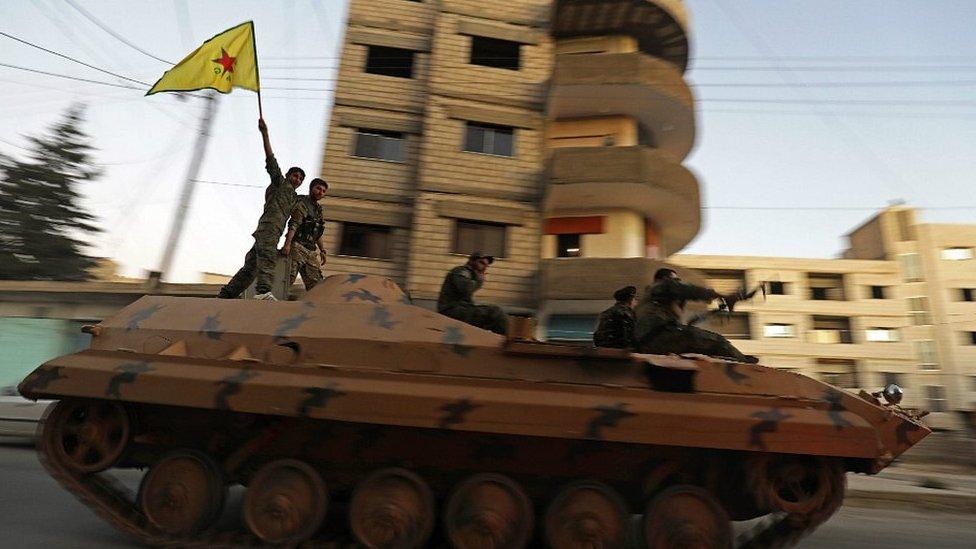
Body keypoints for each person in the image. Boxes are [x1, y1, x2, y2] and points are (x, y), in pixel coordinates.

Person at [217, 118, 304, 300]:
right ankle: (263, 292)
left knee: (250, 270)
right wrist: (265, 134)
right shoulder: (280, 183)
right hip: (268, 229)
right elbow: (270, 160)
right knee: (268, 260)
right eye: (295, 176)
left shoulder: (295, 199)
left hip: (274, 231)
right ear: (288, 175)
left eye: (300, 179)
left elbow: (300, 216)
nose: (297, 179)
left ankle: (226, 295)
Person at [634, 268, 757, 363]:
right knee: (718, 342)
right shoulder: (661, 286)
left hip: (653, 340)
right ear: (665, 279)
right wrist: (723, 296)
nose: (677, 283)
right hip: (658, 339)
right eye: (675, 281)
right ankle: (748, 369)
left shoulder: (652, 299)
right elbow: (685, 290)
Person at [437, 252, 508, 335]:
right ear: (471, 261)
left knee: (487, 317)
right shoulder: (461, 271)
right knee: (494, 311)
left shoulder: (471, 275)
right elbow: (465, 288)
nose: (484, 267)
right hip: (451, 310)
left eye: (486, 265)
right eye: (481, 263)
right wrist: (479, 280)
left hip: (460, 309)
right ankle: (507, 341)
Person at [282, 177, 328, 295]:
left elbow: (318, 233)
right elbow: (294, 225)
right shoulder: (303, 203)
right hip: (297, 246)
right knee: (287, 279)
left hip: (311, 251)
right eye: (318, 188)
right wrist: (287, 245)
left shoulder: (318, 210)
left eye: (323, 191)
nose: (320, 192)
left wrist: (322, 250)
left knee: (317, 285)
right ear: (311, 188)